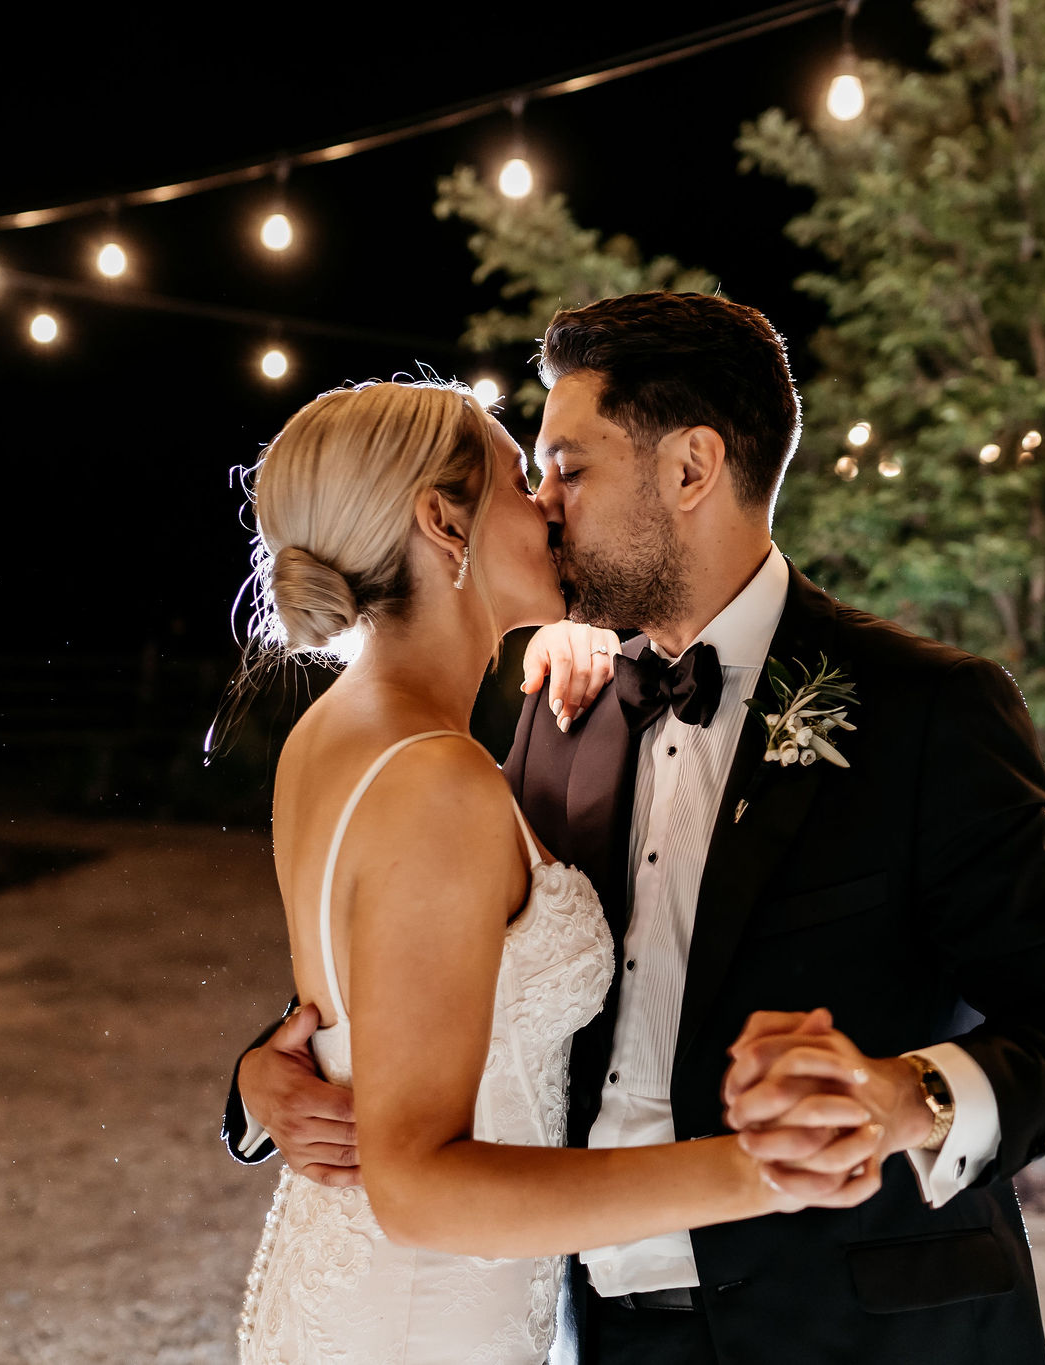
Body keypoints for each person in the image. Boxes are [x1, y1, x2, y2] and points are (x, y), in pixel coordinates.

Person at [227, 293, 1045, 1364]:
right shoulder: (553, 710)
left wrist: (908, 1097)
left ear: (691, 469)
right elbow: (425, 955)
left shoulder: (926, 711)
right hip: (599, 1334)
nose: (546, 503)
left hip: (856, 1330)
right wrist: (263, 1078)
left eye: (567, 466)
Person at [228, 377, 882, 1365]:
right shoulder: (435, 776)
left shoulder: (336, 734)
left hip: (384, 1302)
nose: (547, 504)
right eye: (516, 479)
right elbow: (417, 1189)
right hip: (421, 1324)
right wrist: (757, 1173)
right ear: (444, 522)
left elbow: (369, 1014)